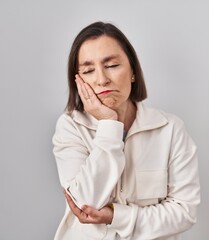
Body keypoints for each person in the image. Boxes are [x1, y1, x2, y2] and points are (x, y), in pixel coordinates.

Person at [52, 21, 200, 240]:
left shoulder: (170, 129)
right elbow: (86, 203)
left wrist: (116, 216)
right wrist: (109, 124)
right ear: (79, 80)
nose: (102, 79)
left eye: (111, 65)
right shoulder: (70, 127)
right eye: (89, 70)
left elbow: (184, 212)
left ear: (132, 71)